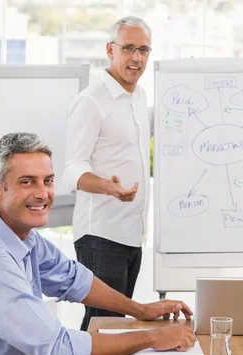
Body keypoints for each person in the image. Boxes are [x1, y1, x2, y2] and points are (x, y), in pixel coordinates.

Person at [0, 133, 196, 355]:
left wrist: (140, 310)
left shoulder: (10, 228)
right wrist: (152, 338)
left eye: (47, 181)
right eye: (27, 182)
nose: (42, 193)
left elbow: (72, 278)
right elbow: (59, 350)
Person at [63, 16, 154, 331]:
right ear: (110, 50)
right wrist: (107, 187)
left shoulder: (139, 98)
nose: (136, 57)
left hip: (132, 234)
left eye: (143, 49)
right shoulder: (91, 101)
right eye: (128, 48)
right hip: (100, 234)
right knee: (104, 325)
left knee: (115, 327)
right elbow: (72, 169)